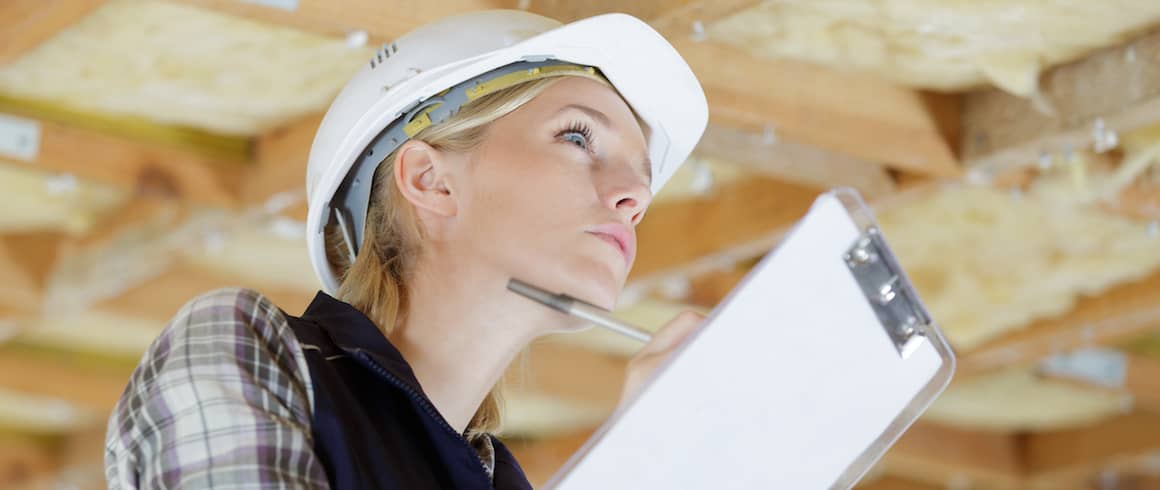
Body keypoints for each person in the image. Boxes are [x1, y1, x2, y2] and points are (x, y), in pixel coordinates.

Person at [104, 9, 708, 489]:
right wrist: (636, 461)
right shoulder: (238, 349)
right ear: (430, 180)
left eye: (643, 178)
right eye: (578, 137)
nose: (634, 195)